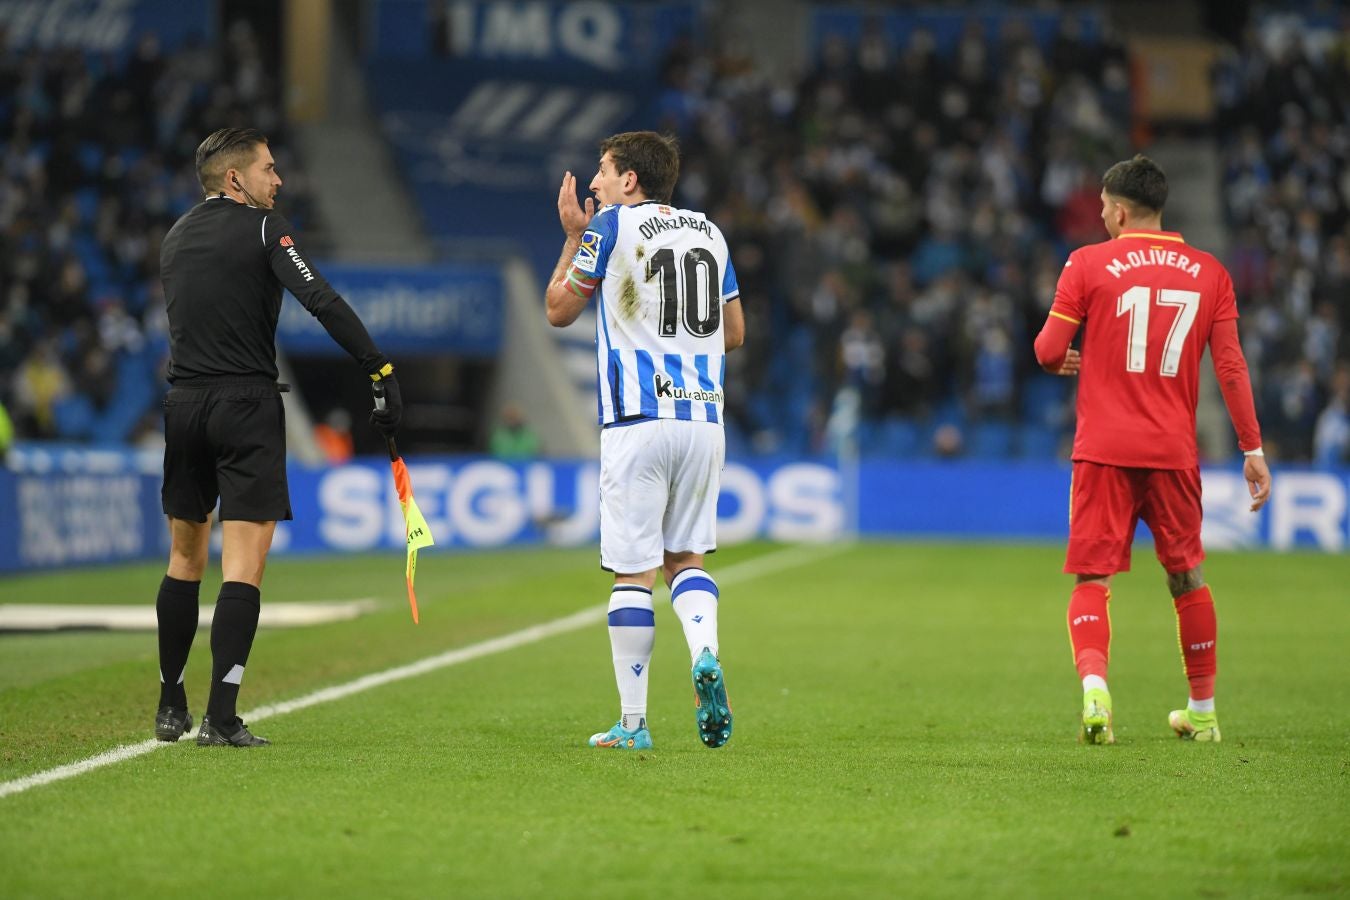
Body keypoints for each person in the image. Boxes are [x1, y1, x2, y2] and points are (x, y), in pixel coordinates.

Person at [154, 127, 402, 747]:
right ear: (236, 179)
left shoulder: (174, 236)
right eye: (268, 169)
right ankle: (221, 715)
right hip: (245, 406)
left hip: (182, 405)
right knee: (244, 566)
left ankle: (168, 702)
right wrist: (378, 366)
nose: (279, 180)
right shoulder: (267, 228)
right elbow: (320, 298)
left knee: (184, 559)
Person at [1034, 154, 1271, 745]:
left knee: (1092, 578)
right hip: (1172, 450)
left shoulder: (1087, 262)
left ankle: (1095, 692)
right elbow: (1232, 367)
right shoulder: (1210, 272)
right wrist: (1252, 448)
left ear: (1116, 210)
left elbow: (1046, 349)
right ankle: (1203, 710)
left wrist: (1062, 359)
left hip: (1104, 449)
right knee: (1187, 575)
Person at [545, 131, 745, 750]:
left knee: (634, 573)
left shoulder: (609, 227)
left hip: (637, 419)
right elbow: (733, 333)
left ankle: (633, 724)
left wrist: (575, 235)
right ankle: (705, 654)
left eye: (603, 171)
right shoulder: (711, 233)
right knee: (686, 559)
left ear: (630, 180)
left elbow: (558, 309)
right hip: (703, 421)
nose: (595, 183)